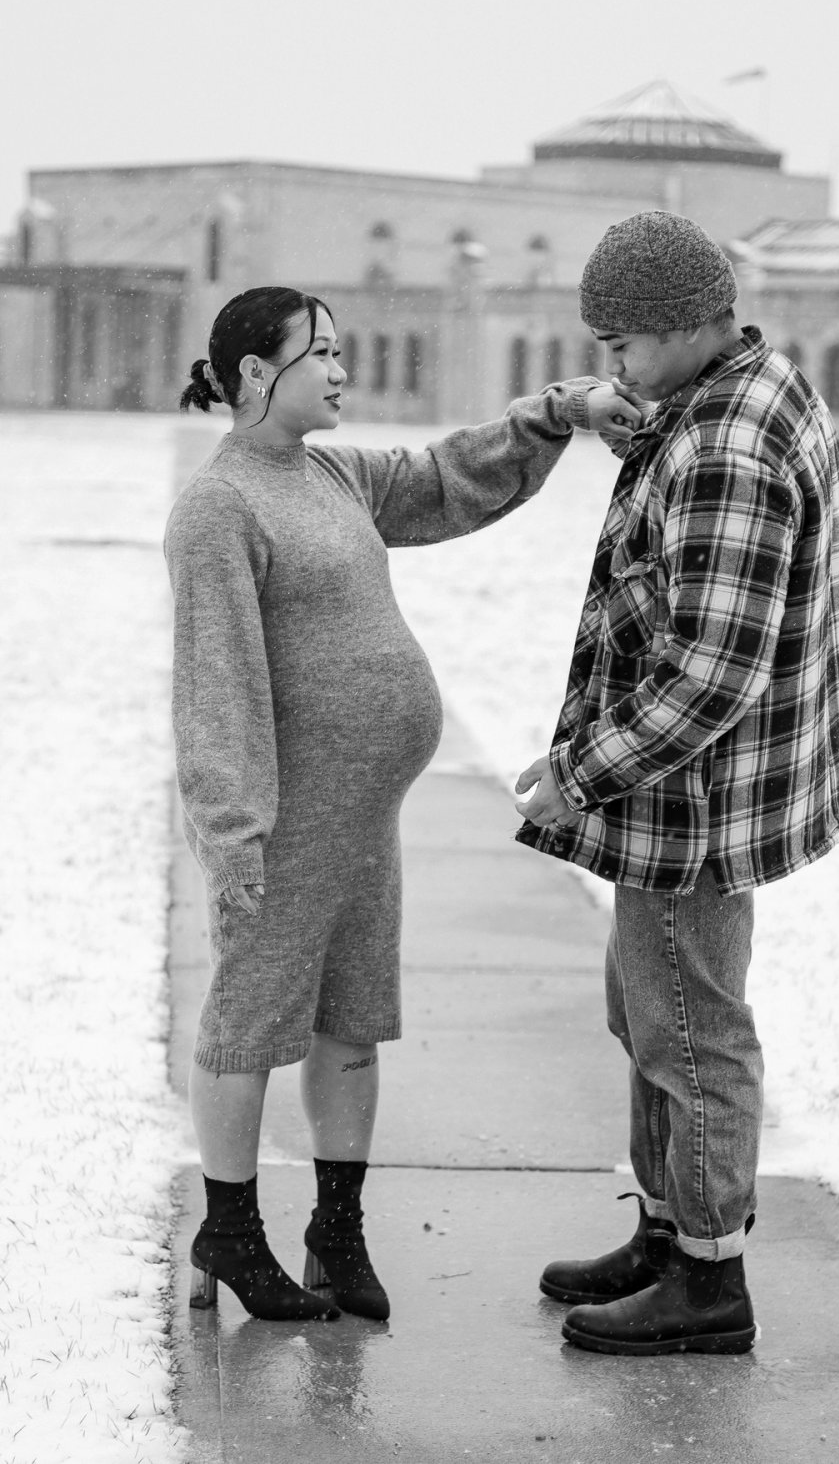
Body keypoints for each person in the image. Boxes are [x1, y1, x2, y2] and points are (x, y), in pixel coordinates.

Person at [165, 285, 640, 1323]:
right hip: (285, 819)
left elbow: (442, 479)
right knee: (249, 1024)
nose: (342, 369)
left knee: (351, 1025)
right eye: (320, 353)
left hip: (362, 815)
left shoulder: (329, 473)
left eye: (339, 350)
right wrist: (232, 835)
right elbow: (217, 685)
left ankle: (337, 1232)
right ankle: (230, 1230)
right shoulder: (221, 506)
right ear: (256, 373)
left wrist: (553, 413)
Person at [514, 212, 839, 1357]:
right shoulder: (742, 390)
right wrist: (603, 407)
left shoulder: (724, 447)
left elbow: (710, 675)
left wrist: (578, 773)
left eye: (619, 344)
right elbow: (675, 458)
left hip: (691, 797)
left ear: (680, 327)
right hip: (702, 790)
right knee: (646, 1003)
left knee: (684, 1026)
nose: (611, 365)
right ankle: (669, 1232)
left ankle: (708, 1279)